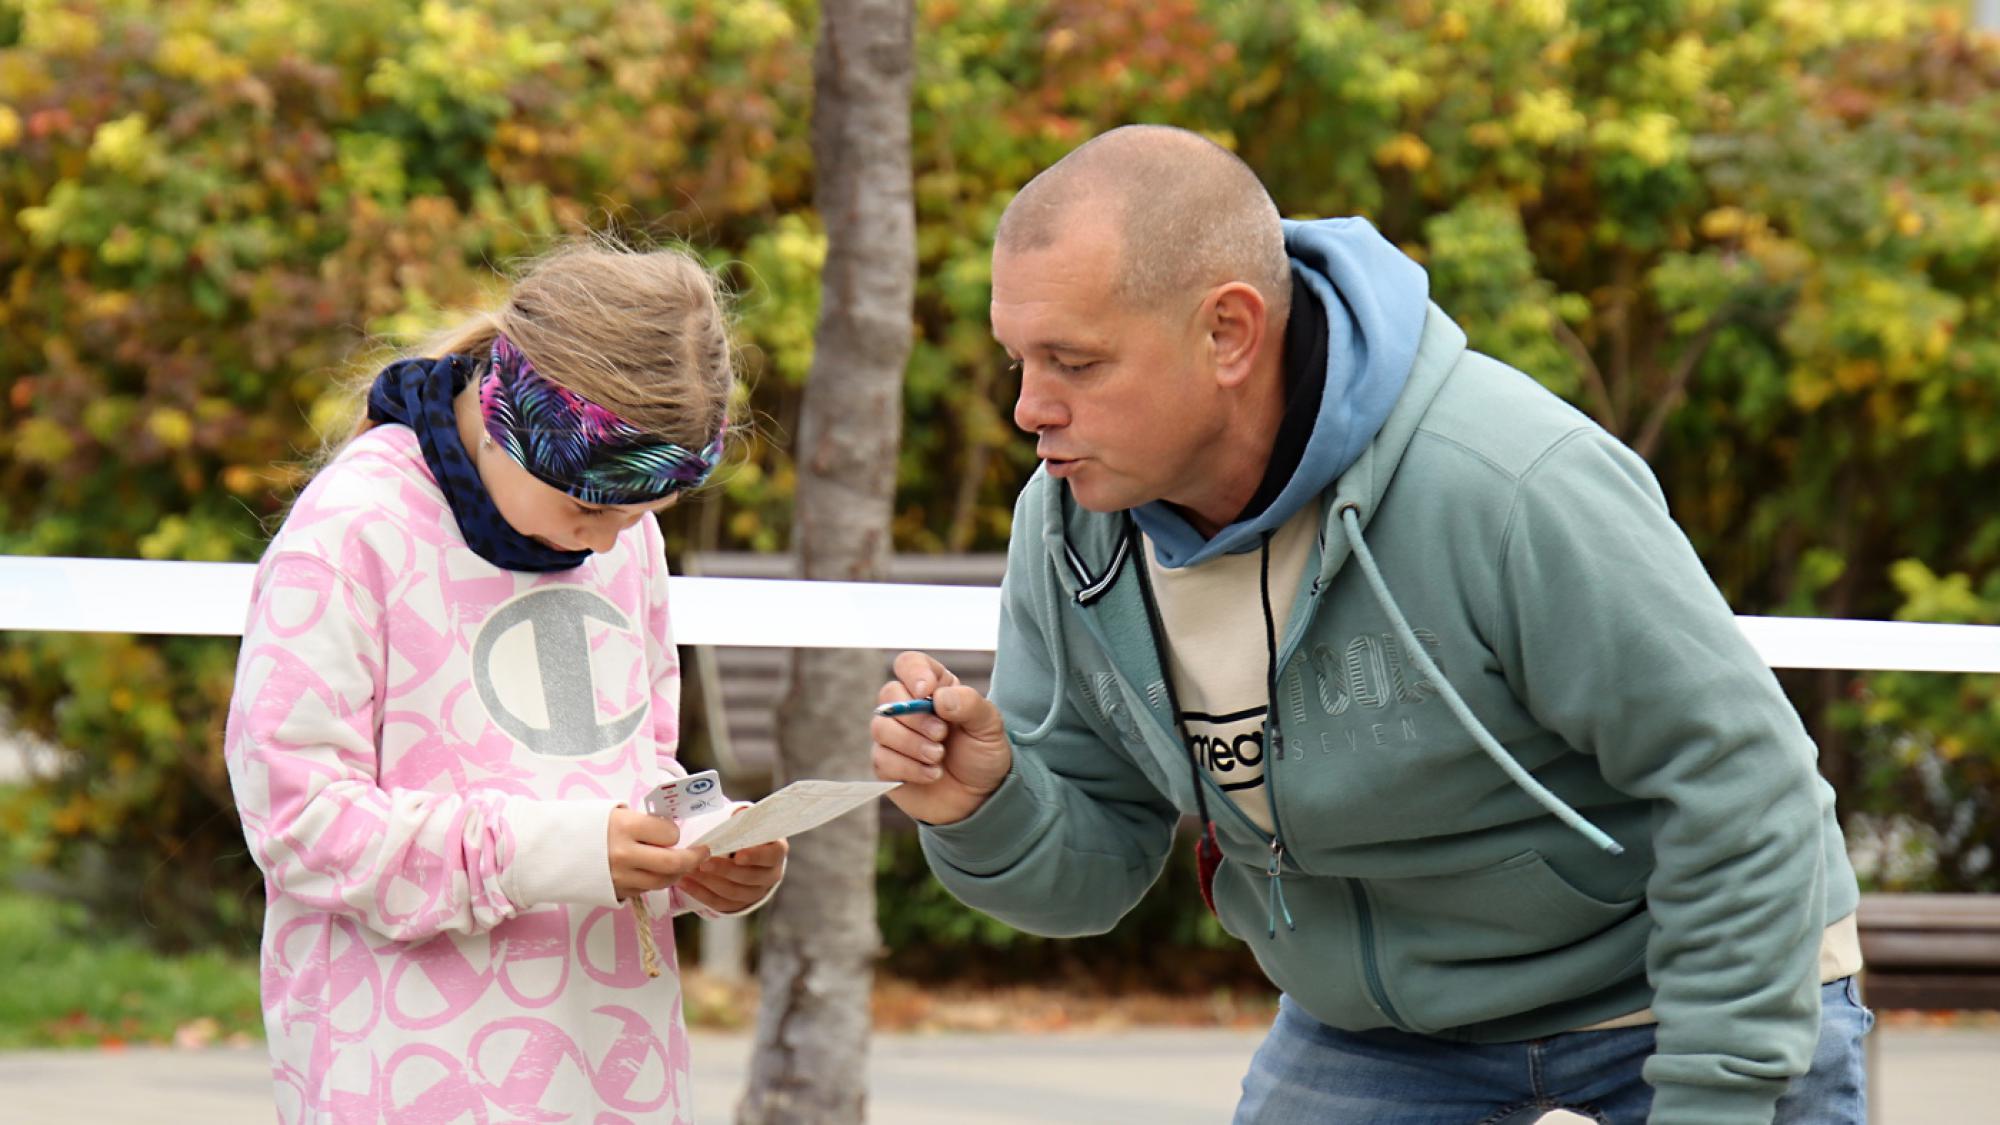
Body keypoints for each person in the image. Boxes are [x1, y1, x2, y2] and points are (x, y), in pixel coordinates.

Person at [872, 125, 1868, 1124]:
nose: (1028, 408)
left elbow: (1741, 790)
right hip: (1385, 1031)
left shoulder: (1507, 480)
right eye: (1018, 360)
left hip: (1686, 983)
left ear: (1227, 333)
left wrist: (1715, 1095)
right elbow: (1089, 881)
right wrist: (985, 806)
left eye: (1074, 362)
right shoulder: (1068, 527)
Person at [224, 243, 786, 1122]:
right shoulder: (352, 531)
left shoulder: (622, 537)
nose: (610, 540)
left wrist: (695, 852)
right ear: (503, 421)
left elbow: (627, 772)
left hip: (608, 1069)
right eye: (590, 509)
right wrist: (554, 851)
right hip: (409, 1072)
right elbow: (301, 823)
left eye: (645, 513)